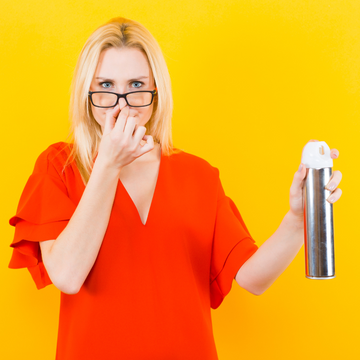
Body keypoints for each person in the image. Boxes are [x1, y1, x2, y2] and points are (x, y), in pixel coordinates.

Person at [7, 17, 343, 360]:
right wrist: (108, 163)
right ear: (87, 94)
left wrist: (296, 219)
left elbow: (252, 279)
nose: (121, 103)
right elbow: (66, 275)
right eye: (106, 85)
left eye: (136, 84)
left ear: (156, 93)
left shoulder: (198, 175)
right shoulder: (59, 166)